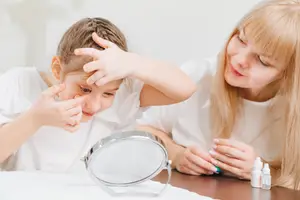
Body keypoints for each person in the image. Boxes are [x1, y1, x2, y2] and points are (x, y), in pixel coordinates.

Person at [137, 0, 300, 190]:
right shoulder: (197, 76)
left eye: (263, 60)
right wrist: (175, 155)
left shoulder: (291, 111)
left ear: (288, 75)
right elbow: (143, 129)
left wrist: (263, 171)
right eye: (241, 39)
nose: (239, 59)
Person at [0, 17, 196, 172]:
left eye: (108, 94)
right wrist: (35, 118)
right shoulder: (18, 83)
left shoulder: (125, 94)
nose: (93, 105)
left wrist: (132, 63)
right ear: (57, 69)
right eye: (84, 89)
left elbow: (185, 88)